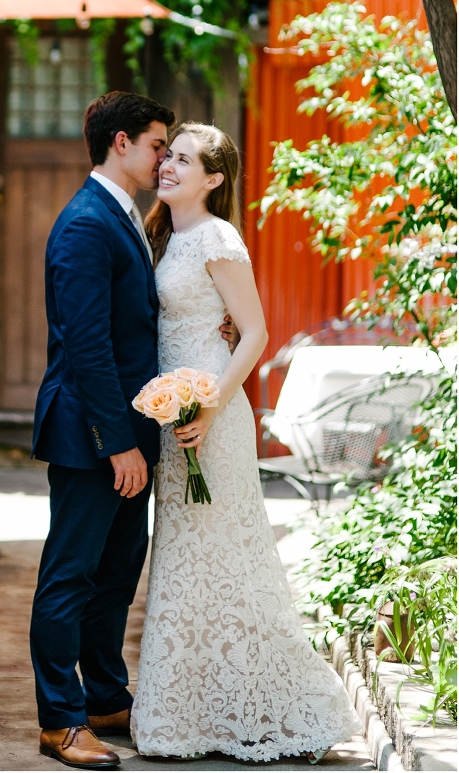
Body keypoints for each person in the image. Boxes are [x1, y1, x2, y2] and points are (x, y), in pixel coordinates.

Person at [131, 123, 362, 763]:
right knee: (183, 555)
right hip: (173, 412)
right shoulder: (162, 235)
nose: (170, 166)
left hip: (212, 408)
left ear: (214, 178)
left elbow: (256, 333)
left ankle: (276, 701)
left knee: (226, 551)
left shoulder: (216, 235)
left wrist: (209, 405)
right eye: (168, 155)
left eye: (185, 160)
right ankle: (193, 710)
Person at [29, 94, 235, 770]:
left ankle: (105, 697)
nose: (163, 157)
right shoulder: (86, 224)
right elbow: (86, 346)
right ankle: (60, 720)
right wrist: (117, 441)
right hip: (92, 436)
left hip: (126, 433)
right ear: (122, 143)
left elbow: (143, 320)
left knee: (117, 573)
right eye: (156, 145)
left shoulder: (127, 219)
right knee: (71, 576)